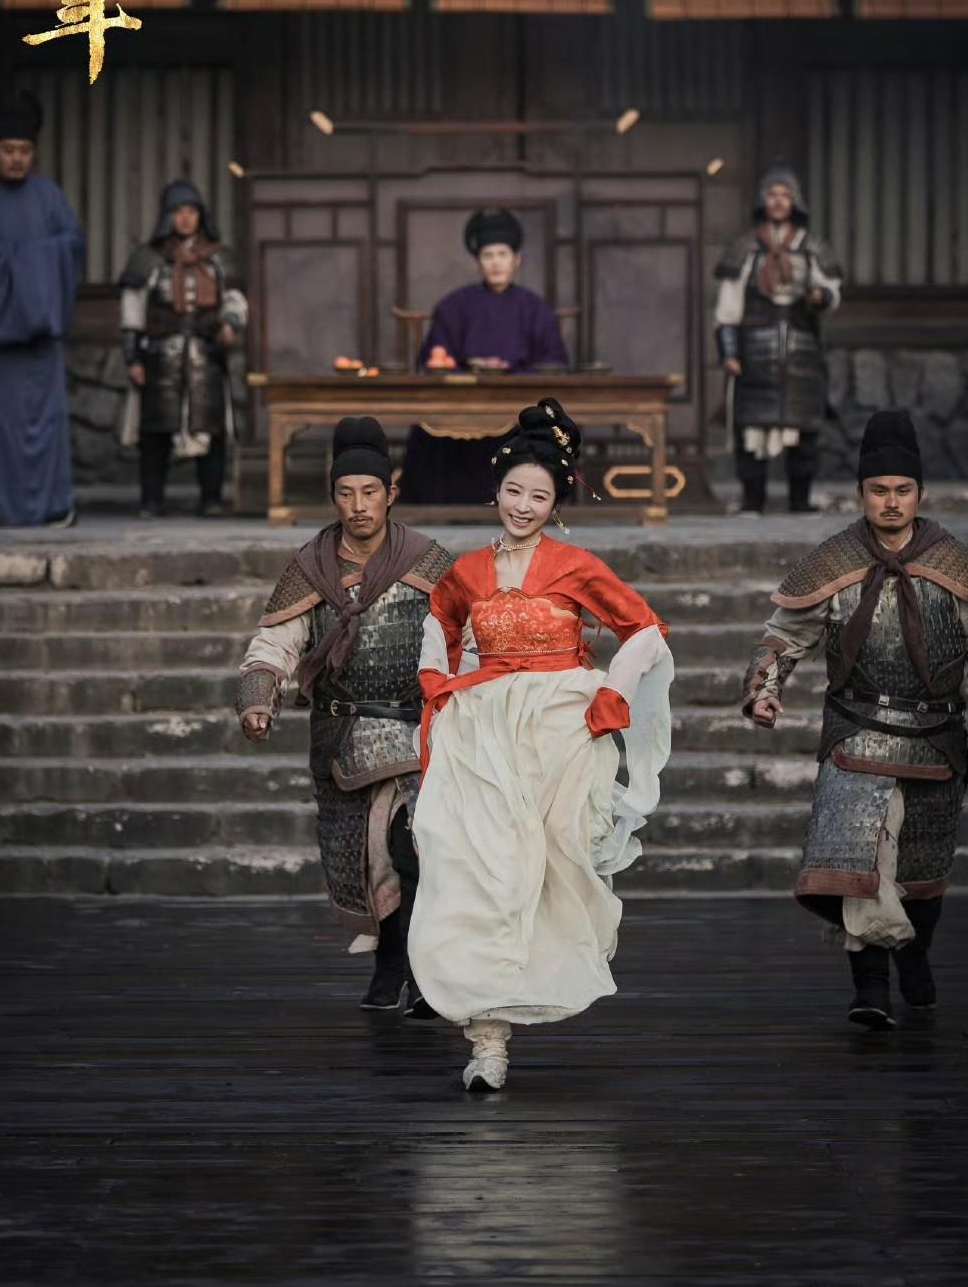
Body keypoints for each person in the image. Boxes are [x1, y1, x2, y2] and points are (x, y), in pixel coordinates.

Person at [408, 397, 674, 1089]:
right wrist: (437, 681)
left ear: (556, 503)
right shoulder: (466, 571)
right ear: (495, 490)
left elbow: (644, 629)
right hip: (485, 727)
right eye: (513, 491)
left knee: (554, 859)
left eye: (539, 496)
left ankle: (540, 980)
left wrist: (614, 694)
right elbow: (440, 626)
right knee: (481, 868)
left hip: (561, 724)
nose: (523, 506)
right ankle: (487, 1043)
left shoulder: (576, 565)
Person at [741, 411, 968, 1030]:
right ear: (860, 493)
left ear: (920, 494)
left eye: (902, 490)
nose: (891, 502)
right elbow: (786, 635)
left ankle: (914, 954)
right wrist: (764, 690)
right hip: (855, 729)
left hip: (936, 735)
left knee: (921, 873)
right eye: (879, 490)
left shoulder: (953, 562)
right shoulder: (834, 559)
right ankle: (869, 988)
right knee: (855, 866)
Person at [236, 416, 455, 1014]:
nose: (358, 506)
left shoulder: (427, 560)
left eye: (370, 492)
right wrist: (258, 698)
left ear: (391, 493)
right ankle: (393, 967)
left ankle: (418, 974)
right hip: (342, 734)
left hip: (416, 730)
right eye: (346, 493)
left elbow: (467, 633)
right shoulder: (311, 567)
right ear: (333, 497)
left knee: (413, 849)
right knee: (369, 862)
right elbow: (273, 644)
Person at [0, 93, 84, 528]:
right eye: (9, 150)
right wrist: (35, 263)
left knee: (44, 422)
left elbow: (72, 244)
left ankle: (51, 505)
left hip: (39, 340)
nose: (16, 159)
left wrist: (26, 261)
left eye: (25, 151)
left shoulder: (49, 195)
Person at [400, 208, 569, 505]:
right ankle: (441, 507)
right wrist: (470, 373)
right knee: (432, 425)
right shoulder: (454, 305)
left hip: (519, 400)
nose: (496, 262)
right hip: (463, 399)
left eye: (502, 254)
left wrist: (512, 376)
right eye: (488, 255)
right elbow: (434, 362)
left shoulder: (536, 309)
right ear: (478, 262)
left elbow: (553, 363)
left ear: (516, 260)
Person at [714, 162, 841, 515]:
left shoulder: (812, 247)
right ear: (762, 200)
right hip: (755, 350)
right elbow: (727, 308)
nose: (779, 201)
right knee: (751, 429)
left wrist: (820, 296)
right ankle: (752, 500)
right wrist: (730, 353)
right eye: (773, 194)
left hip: (801, 348)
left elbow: (832, 291)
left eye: (785, 195)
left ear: (795, 201)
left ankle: (800, 500)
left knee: (803, 429)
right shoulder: (745, 248)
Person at [119, 180, 247, 517]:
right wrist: (132, 358)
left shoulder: (218, 259)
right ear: (168, 216)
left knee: (211, 428)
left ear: (201, 215)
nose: (186, 218)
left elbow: (234, 299)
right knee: (155, 431)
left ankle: (211, 499)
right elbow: (133, 310)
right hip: (160, 356)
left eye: (192, 211)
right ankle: (152, 500)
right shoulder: (148, 259)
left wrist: (231, 324)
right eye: (179, 212)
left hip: (206, 355)